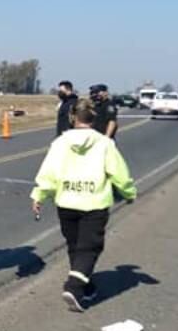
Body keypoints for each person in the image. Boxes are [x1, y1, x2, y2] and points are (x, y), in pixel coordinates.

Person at [30, 98, 137, 312]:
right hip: (94, 203)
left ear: (72, 117)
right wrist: (129, 193)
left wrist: (39, 195)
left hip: (67, 202)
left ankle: (86, 288)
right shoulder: (104, 143)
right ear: (93, 118)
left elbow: (49, 172)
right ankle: (74, 285)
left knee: (76, 246)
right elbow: (119, 173)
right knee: (90, 247)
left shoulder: (60, 143)